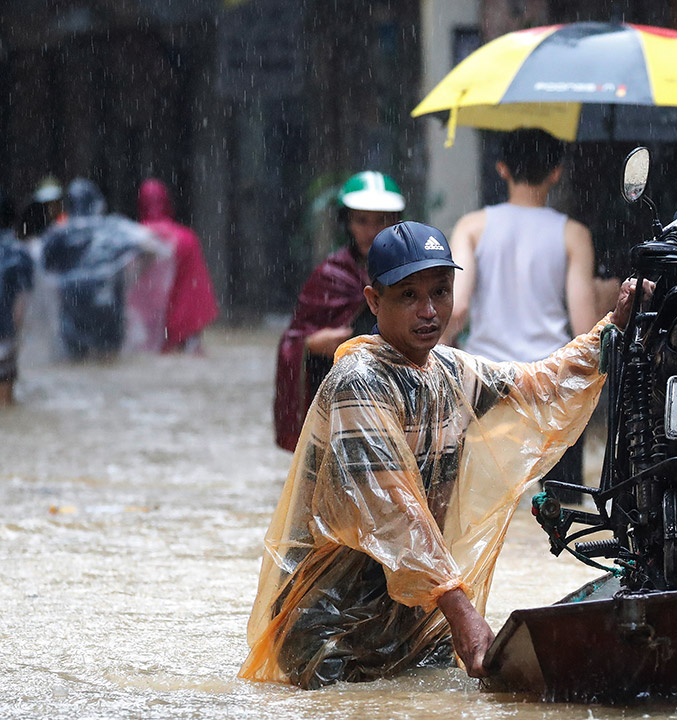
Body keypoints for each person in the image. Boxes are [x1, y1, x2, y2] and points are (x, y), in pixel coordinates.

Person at [240, 221, 638, 689]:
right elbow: (393, 514)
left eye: (440, 292)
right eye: (408, 296)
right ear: (373, 301)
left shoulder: (448, 370)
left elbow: (541, 387)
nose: (429, 311)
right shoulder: (358, 383)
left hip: (411, 620)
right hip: (328, 628)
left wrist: (613, 328)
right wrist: (463, 616)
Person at [443, 128, 598, 489]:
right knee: (562, 509)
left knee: (481, 504)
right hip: (549, 385)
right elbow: (585, 330)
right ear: (556, 172)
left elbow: (458, 306)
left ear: (502, 169)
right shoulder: (573, 234)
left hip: (486, 382)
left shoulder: (472, 226)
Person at [272, 171, 404, 452]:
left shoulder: (414, 274)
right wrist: (311, 344)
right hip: (344, 405)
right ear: (347, 223)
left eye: (382, 220)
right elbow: (293, 340)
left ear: (396, 221)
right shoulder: (331, 276)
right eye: (361, 220)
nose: (371, 231)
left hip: (401, 399)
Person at [40, 178, 166, 360]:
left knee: (75, 363)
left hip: (73, 303)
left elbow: (43, 265)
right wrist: (131, 278)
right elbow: (152, 248)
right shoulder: (113, 227)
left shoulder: (59, 232)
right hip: (107, 302)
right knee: (109, 362)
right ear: (97, 202)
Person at [134, 178, 219, 353]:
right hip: (183, 326)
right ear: (167, 202)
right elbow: (196, 291)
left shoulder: (133, 239)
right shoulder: (187, 239)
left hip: (147, 328)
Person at [0, 189, 34, 405]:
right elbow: (21, 302)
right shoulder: (19, 252)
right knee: (5, 402)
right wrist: (15, 335)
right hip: (4, 334)